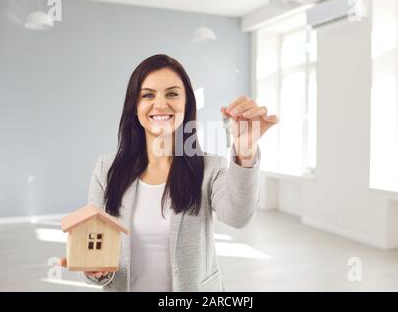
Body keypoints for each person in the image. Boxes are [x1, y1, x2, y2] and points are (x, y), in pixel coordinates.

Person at [80, 54, 279, 291]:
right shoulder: (106, 170)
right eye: (148, 95)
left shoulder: (210, 168)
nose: (161, 104)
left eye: (172, 94)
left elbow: (239, 216)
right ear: (135, 106)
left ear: (187, 105)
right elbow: (94, 253)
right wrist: (94, 269)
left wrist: (245, 149)